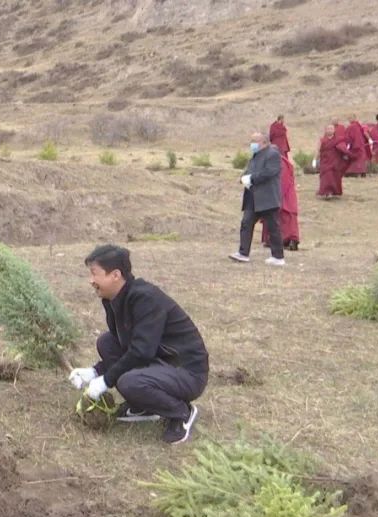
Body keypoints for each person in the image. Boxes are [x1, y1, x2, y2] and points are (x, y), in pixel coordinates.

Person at [69, 245, 209, 444]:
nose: (91, 281)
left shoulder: (145, 298)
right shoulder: (113, 299)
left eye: (94, 274)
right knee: (107, 342)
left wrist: (106, 380)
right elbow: (127, 346)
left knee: (130, 382)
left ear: (115, 275)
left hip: (186, 371)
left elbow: (141, 351)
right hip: (158, 361)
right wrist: (93, 371)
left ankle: (182, 412)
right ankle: (145, 406)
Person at [229, 132, 286, 266]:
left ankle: (278, 256)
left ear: (265, 142)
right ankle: (243, 253)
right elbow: (249, 170)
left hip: (267, 197)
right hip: (252, 196)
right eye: (251, 141)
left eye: (255, 141)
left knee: (273, 226)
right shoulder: (255, 155)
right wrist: (243, 178)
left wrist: (251, 179)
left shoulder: (273, 154)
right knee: (246, 223)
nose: (252, 144)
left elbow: (269, 172)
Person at [261, 153, 301, 251]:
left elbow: (282, 181)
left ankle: (289, 240)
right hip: (278, 194)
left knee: (285, 217)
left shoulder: (280, 163)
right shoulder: (270, 161)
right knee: (283, 218)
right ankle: (278, 240)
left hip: (283, 194)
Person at [316, 124, 348, 198]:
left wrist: (345, 155)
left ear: (334, 130)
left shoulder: (338, 140)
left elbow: (343, 149)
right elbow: (318, 150)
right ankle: (326, 192)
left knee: (334, 177)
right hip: (325, 162)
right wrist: (315, 160)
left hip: (335, 162)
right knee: (326, 177)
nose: (330, 130)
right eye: (328, 129)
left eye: (331, 129)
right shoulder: (322, 140)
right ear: (325, 130)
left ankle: (334, 192)